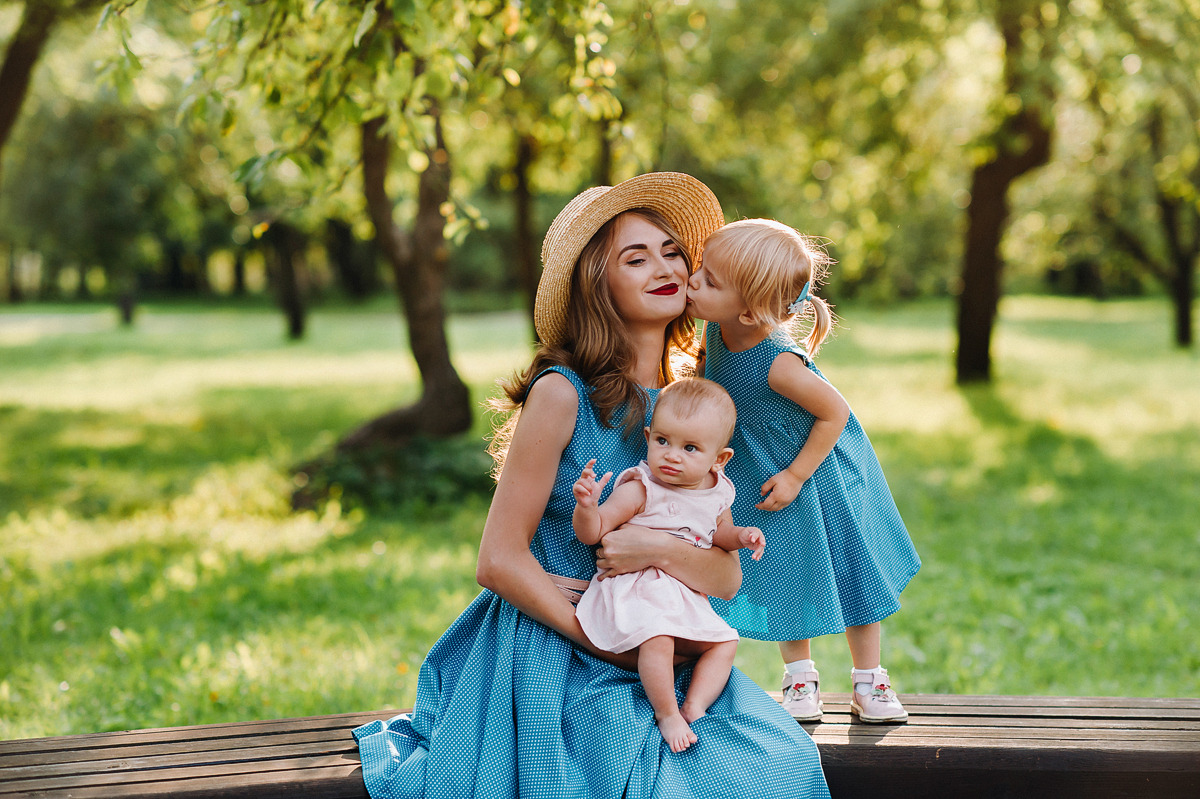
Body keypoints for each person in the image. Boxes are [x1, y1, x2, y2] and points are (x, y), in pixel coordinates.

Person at [352, 176, 830, 798]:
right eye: (635, 259)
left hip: (668, 639)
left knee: (776, 766)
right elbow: (497, 560)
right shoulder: (563, 393)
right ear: (597, 286)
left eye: (670, 251)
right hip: (560, 636)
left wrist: (655, 555)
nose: (664, 267)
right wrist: (605, 642)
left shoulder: (695, 408)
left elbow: (725, 578)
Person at [687, 217, 921, 724]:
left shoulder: (778, 361)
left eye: (708, 280)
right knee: (788, 574)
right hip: (765, 474)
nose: (692, 282)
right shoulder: (718, 327)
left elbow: (834, 412)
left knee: (854, 575)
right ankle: (800, 679)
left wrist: (796, 475)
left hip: (819, 476)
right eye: (700, 269)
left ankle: (870, 681)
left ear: (749, 310)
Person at [571, 377, 766, 754]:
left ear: (719, 459)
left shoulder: (718, 491)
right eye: (663, 441)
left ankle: (695, 704)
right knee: (658, 638)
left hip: (681, 592)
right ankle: (667, 713)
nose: (672, 455)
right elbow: (593, 532)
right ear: (648, 436)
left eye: (690, 448)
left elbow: (719, 534)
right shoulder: (642, 487)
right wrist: (587, 507)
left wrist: (743, 535)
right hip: (638, 590)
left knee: (725, 641)